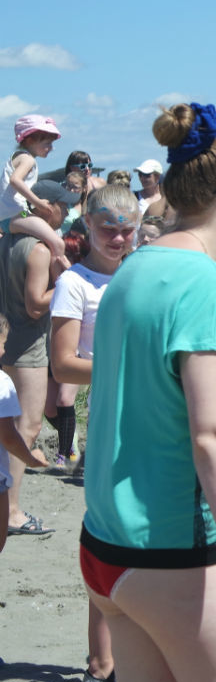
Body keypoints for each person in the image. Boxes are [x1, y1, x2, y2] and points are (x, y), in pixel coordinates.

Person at [81, 102, 216, 682]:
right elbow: (214, 436)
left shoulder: (137, 266)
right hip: (177, 553)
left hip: (109, 545)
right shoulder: (206, 283)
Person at [48, 184, 139, 682]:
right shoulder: (75, 283)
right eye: (108, 227)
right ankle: (100, 661)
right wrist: (127, 368)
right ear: (86, 224)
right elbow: (63, 363)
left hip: (148, 417)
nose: (118, 237)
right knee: (106, 537)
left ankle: (135, 657)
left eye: (127, 229)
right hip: (107, 419)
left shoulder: (139, 273)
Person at [2, 179, 75, 536]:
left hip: (8, 339)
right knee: (25, 427)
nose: (67, 211)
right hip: (28, 344)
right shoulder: (40, 249)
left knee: (9, 426)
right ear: (48, 207)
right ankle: (12, 510)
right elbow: (35, 305)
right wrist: (68, 283)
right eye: (64, 205)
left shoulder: (10, 239)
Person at [0, 314, 51, 554]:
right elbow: (8, 436)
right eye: (2, 344)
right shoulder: (2, 383)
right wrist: (30, 458)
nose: (3, 351)